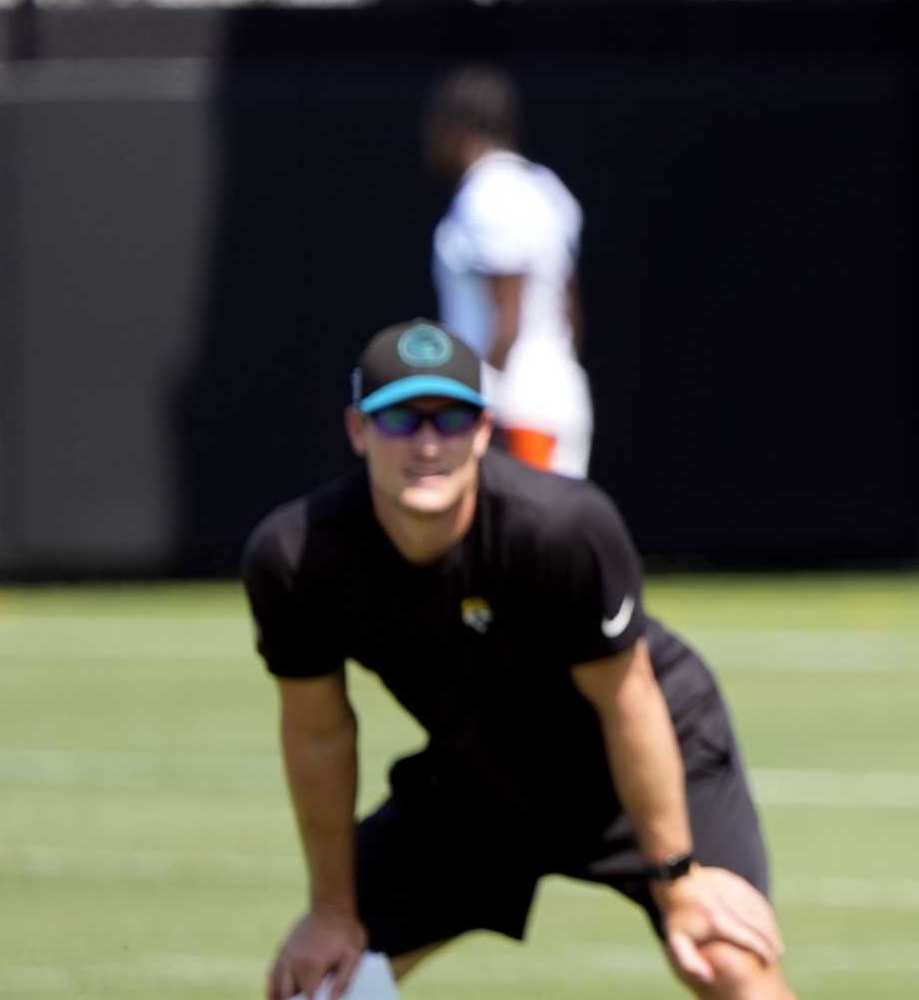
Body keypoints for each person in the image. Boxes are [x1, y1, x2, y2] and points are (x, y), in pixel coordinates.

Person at [243, 319, 793, 1000]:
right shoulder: (297, 558)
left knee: (721, 956)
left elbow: (629, 699)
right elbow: (318, 730)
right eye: (398, 420)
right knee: (316, 983)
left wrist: (678, 876)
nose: (426, 443)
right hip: (480, 776)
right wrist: (331, 909)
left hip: (630, 754)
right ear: (358, 429)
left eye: (450, 417)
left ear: (482, 430)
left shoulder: (562, 527)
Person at [427, 64, 593, 476]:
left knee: (526, 536)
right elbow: (571, 313)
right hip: (553, 397)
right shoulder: (544, 186)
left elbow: (509, 316)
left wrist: (472, 407)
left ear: (458, 126)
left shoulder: (490, 192)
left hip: (513, 411)